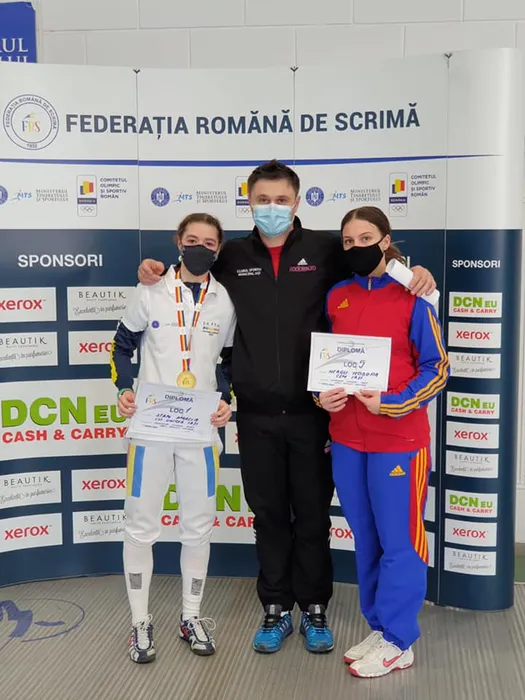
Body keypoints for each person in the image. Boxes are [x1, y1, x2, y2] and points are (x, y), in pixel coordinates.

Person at [137, 160, 438, 655]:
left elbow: (377, 270)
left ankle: (315, 609)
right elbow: (188, 280)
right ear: (249, 201)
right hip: (255, 413)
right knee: (269, 516)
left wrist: (416, 273)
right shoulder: (232, 255)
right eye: (262, 200)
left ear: (296, 202)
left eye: (281, 200)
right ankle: (275, 608)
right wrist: (153, 271)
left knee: (314, 516)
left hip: (316, 413)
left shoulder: (326, 249)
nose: (272, 208)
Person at [317, 206, 449, 679]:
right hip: (347, 440)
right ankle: (380, 626)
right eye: (348, 241)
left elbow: (437, 369)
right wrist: (321, 397)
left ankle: (400, 639)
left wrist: (392, 403)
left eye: (365, 237)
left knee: (401, 542)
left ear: (386, 239)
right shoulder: (337, 295)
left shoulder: (416, 296)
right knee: (367, 539)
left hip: (398, 439)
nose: (356, 247)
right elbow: (326, 364)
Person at [110, 212, 236, 663]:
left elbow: (230, 361)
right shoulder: (151, 290)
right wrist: (125, 389)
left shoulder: (225, 300)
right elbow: (121, 346)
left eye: (209, 242)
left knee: (198, 528)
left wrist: (227, 400)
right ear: (178, 243)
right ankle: (139, 622)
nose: (200, 247)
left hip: (201, 432)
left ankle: (191, 616)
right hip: (150, 430)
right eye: (192, 240)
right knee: (141, 527)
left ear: (219, 249)